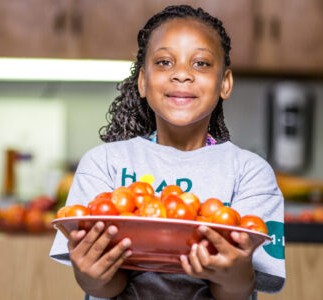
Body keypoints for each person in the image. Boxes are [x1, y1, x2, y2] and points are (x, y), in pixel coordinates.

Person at [50, 5, 285, 300]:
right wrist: (90, 274)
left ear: (225, 83)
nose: (182, 75)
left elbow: (237, 291)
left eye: (200, 63)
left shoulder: (250, 172)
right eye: (164, 62)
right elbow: (105, 286)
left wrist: (235, 274)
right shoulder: (104, 163)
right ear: (143, 82)